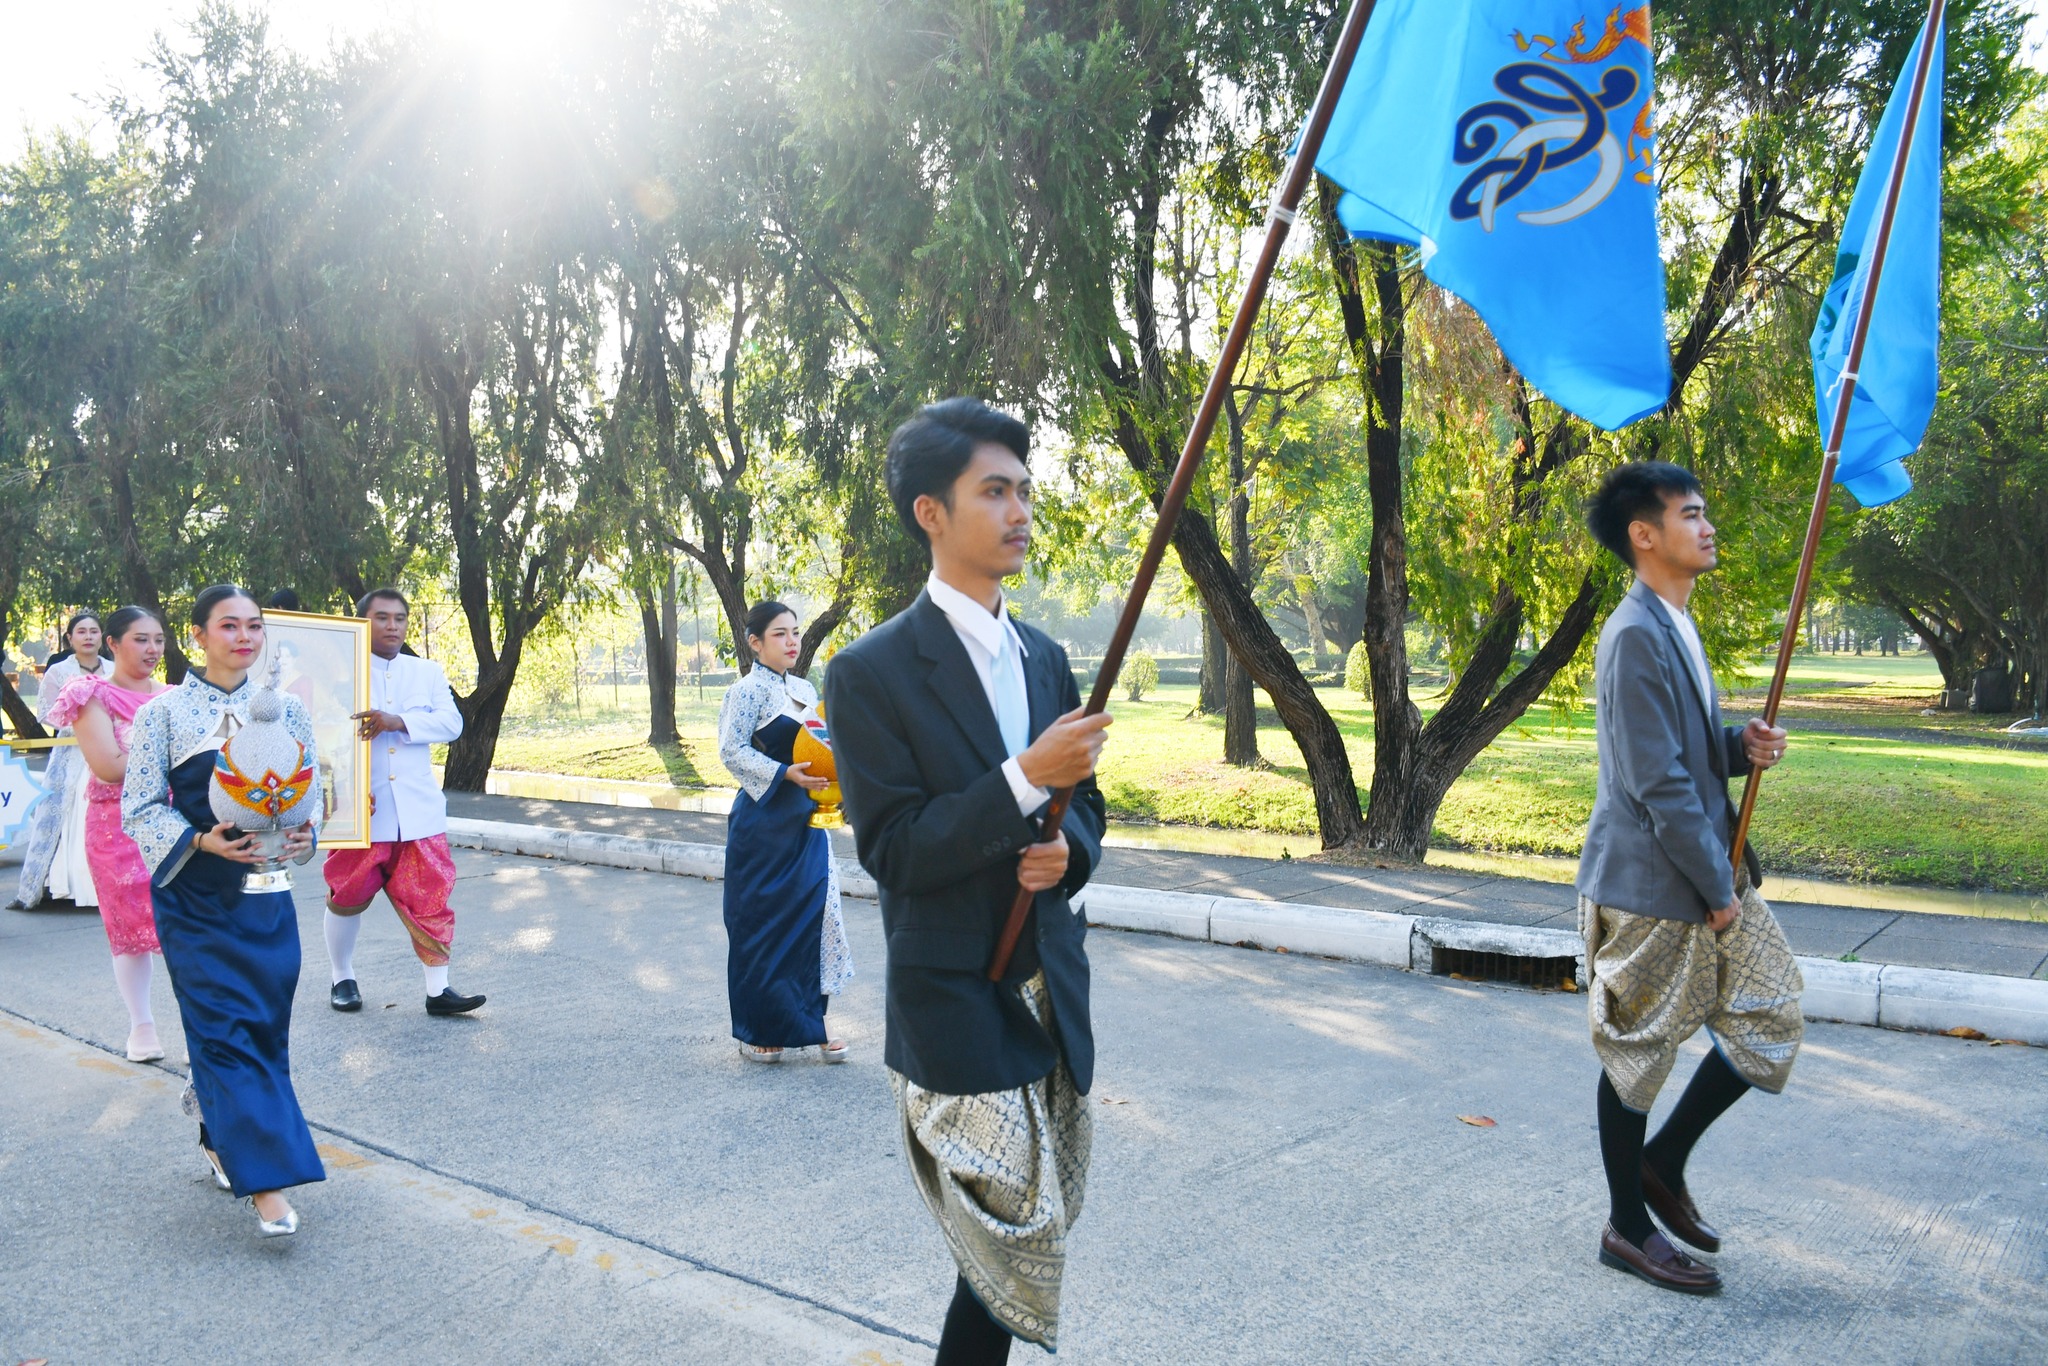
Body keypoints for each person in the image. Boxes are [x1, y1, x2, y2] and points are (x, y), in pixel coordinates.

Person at [828, 398, 1111, 1362]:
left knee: (1013, 1250)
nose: (1019, 511)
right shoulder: (870, 672)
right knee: (1005, 1240)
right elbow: (896, 850)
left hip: (1047, 984)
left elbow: (1088, 807)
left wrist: (1070, 855)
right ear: (931, 513)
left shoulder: (1046, 658)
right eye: (994, 491)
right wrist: (1024, 776)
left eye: (1024, 491)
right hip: (953, 993)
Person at [1577, 462, 1801, 1294]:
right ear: (1645, 534)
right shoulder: (1633, 632)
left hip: (1704, 871)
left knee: (1771, 1010)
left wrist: (1738, 745)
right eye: (1692, 515)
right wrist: (1718, 889)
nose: (1708, 528)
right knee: (1636, 1052)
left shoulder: (1673, 620)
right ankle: (1627, 1228)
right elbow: (1656, 782)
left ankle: (1662, 1162)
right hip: (1654, 883)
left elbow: (1682, 747)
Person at [123, 584, 325, 1237]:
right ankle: (267, 1185)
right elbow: (139, 808)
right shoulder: (163, 713)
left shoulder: (288, 710)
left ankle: (219, 1134)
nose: (244, 637)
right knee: (222, 1028)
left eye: (254, 626)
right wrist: (201, 840)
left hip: (266, 897)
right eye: (229, 625)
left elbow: (309, 795)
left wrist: (306, 835)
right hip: (195, 900)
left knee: (261, 1027)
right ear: (199, 634)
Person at [320, 589, 482, 1016]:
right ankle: (342, 978)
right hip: (361, 810)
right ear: (361, 622)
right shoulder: (341, 676)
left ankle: (438, 991)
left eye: (400, 618)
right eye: (382, 617)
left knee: (431, 896)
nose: (392, 626)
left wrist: (399, 721)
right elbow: (321, 733)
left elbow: (451, 723)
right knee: (346, 895)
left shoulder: (426, 671)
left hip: (418, 811)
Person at [716, 600, 853, 1064]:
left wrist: (834, 783)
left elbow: (822, 748)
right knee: (763, 926)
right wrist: (783, 773)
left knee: (815, 918)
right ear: (755, 643)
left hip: (807, 821)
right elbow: (731, 751)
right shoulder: (744, 692)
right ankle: (758, 1029)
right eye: (780, 633)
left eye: (795, 631)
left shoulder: (804, 688)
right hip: (762, 824)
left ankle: (815, 1024)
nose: (792, 641)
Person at [47, 607, 172, 1061]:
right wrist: (175, 756)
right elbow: (109, 766)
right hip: (114, 826)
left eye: (158, 640)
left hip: (176, 822)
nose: (152, 649)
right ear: (113, 644)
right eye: (141, 639)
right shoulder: (90, 694)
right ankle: (141, 1026)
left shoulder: (176, 697)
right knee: (128, 927)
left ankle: (199, 1028)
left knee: (185, 926)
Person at [9, 612, 114, 910]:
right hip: (71, 753)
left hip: (108, 751)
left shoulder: (114, 668)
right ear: (70, 638)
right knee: (67, 813)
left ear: (103, 637)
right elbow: (46, 712)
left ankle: (106, 885)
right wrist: (81, 719)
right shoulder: (59, 671)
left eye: (94, 631)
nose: (88, 637)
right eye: (82, 631)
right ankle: (62, 883)